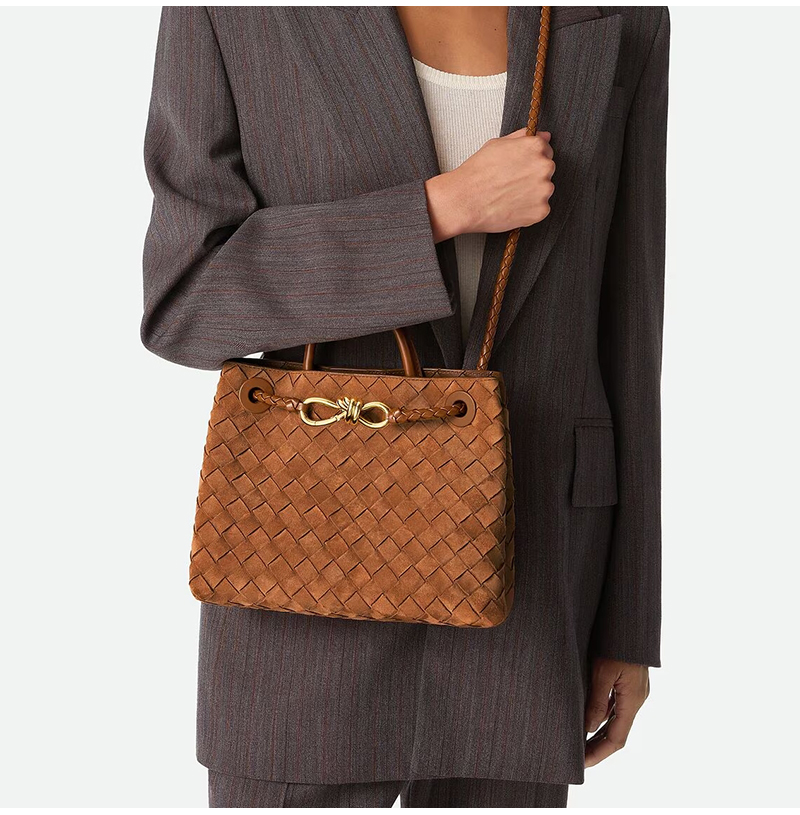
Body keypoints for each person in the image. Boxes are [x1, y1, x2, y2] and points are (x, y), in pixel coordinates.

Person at [141, 5, 669, 808]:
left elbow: (629, 329)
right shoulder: (233, 14)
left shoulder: (619, 16)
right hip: (304, 572)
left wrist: (628, 622)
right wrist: (436, 212)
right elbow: (185, 299)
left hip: (533, 578)